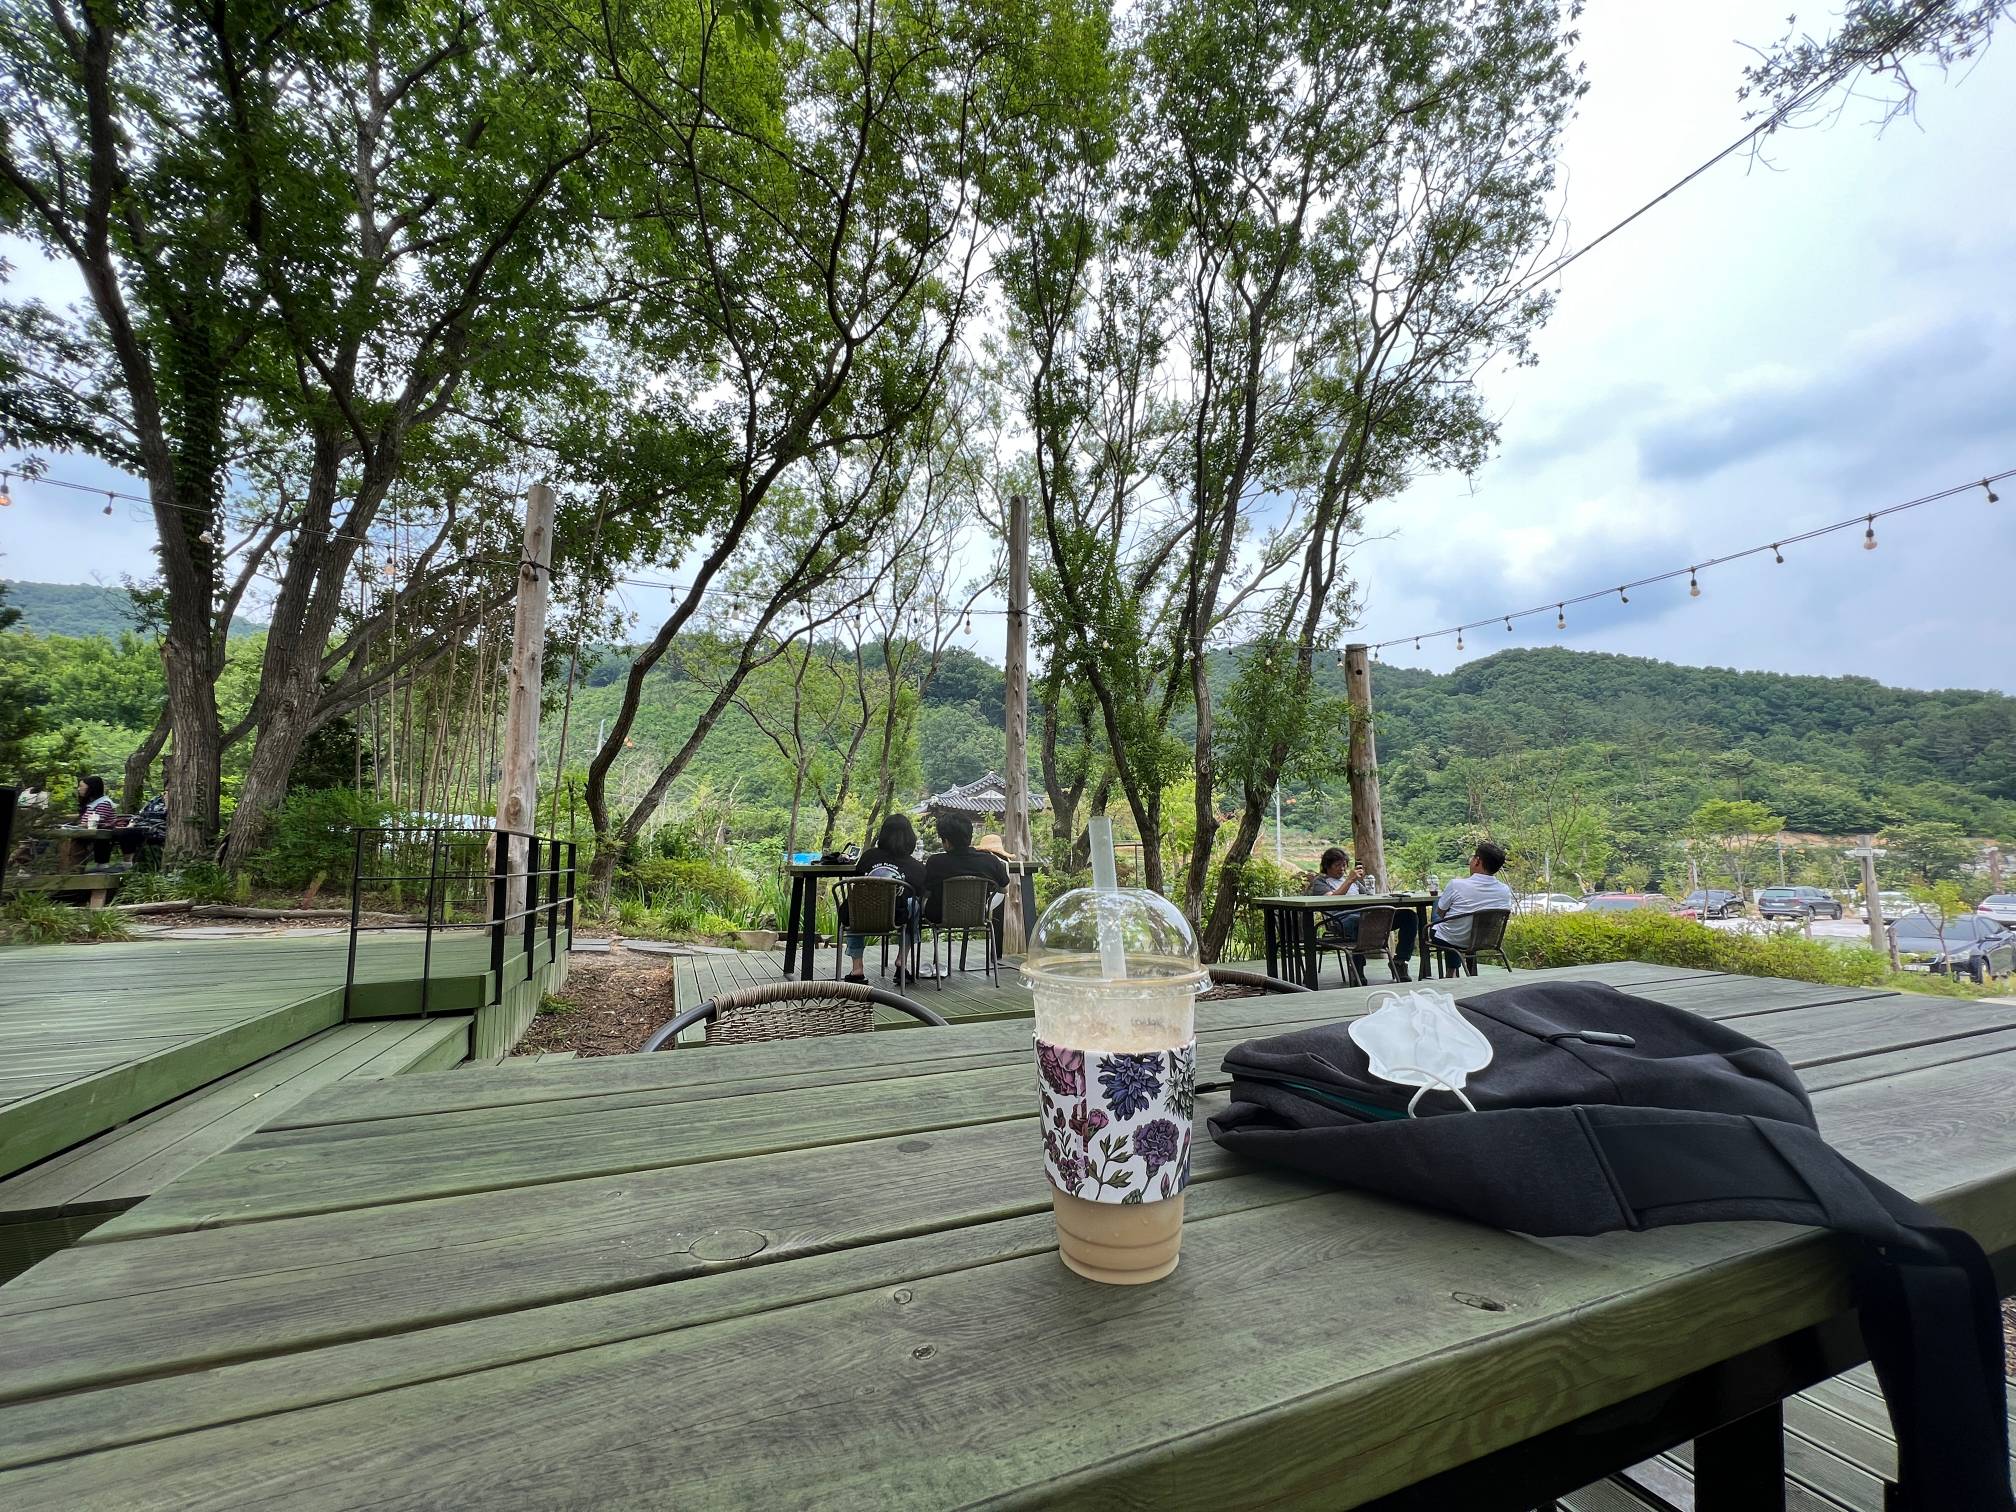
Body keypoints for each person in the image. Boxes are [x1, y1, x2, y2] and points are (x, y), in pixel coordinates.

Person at [841, 812, 927, 985]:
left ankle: (857, 969)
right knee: (914, 904)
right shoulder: (915, 867)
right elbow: (920, 892)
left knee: (854, 904)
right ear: (910, 838)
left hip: (862, 915)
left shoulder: (868, 857)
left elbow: (858, 879)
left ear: (883, 835)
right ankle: (902, 961)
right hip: (896, 918)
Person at [1308, 846, 1417, 982]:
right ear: (1327, 866)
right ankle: (1357, 968)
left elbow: (1368, 896)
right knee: (1357, 920)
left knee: (1408, 916)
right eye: (1337, 865)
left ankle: (1400, 961)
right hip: (1341, 920)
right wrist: (1349, 880)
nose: (1342, 869)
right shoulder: (1321, 882)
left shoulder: (1355, 882)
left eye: (1344, 865)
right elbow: (1330, 899)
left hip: (1366, 916)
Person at [923, 812, 1009, 962]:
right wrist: (987, 907)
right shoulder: (990, 861)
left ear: (946, 841)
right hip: (978, 914)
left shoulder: (935, 862)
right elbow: (1003, 888)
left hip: (939, 915)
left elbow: (925, 891)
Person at [1431, 840, 1515, 973]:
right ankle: (1452, 973)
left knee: (1440, 909)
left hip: (1453, 938)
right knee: (1454, 925)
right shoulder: (1505, 890)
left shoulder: (1456, 884)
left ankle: (1451, 973)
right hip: (1484, 940)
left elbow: (1441, 914)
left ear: (1477, 861)